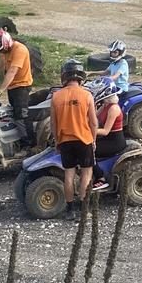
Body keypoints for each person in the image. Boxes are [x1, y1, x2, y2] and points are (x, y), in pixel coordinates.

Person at [50, 59, 98, 220]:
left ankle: (70, 210)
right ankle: (84, 210)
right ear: (81, 77)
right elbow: (93, 122)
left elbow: (53, 124)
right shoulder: (87, 95)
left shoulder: (56, 97)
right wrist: (94, 139)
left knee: (68, 175)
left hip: (65, 141)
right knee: (86, 174)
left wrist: (57, 141)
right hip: (84, 139)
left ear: (64, 76)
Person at [0, 29, 35, 147]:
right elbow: (2, 60)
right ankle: (18, 139)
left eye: (2, 50)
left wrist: (1, 90)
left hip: (22, 87)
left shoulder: (20, 50)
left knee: (21, 116)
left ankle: (29, 145)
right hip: (13, 87)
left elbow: (12, 71)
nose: (2, 53)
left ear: (7, 43)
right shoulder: (6, 50)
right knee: (13, 113)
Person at [86, 76, 127, 192]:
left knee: (87, 150)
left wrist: (87, 130)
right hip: (108, 138)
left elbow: (105, 131)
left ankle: (101, 178)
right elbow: (93, 118)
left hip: (114, 141)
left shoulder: (113, 108)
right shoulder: (105, 105)